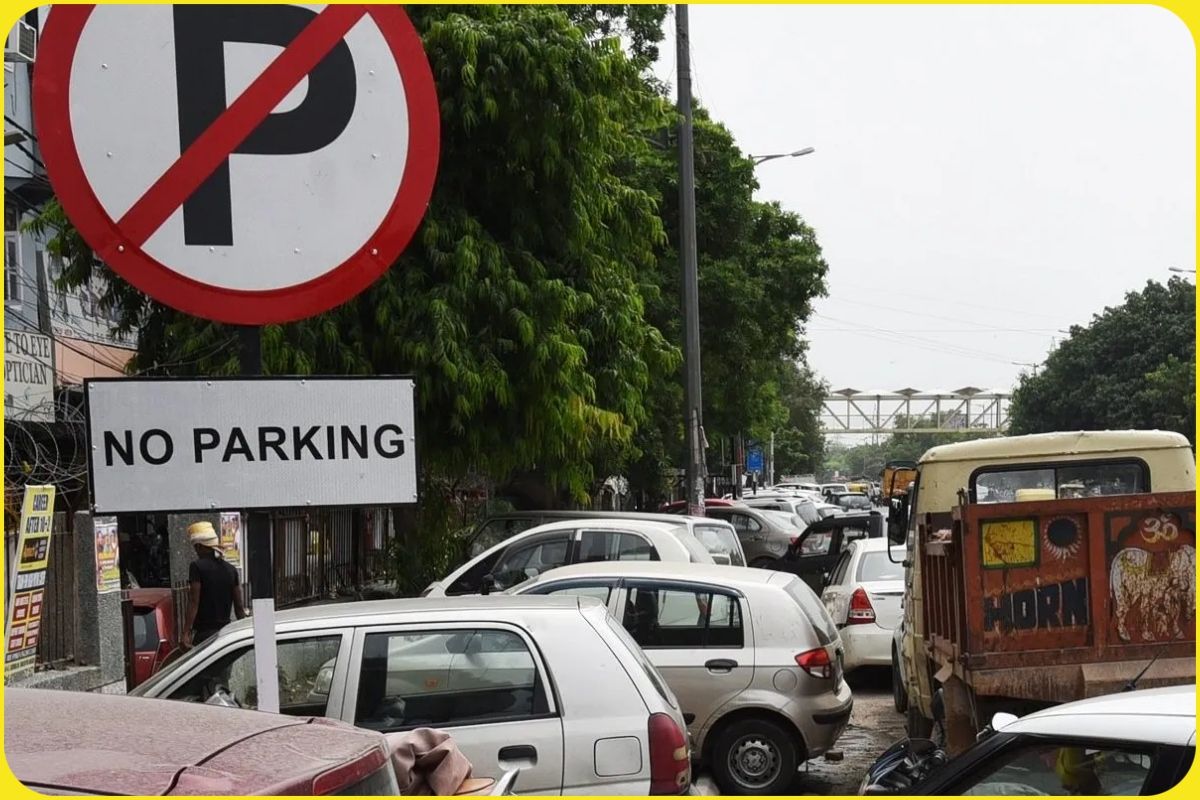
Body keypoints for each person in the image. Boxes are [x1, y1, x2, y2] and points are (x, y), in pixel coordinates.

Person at [183, 521, 246, 650]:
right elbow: (239, 608)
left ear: (200, 546)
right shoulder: (231, 570)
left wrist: (186, 632)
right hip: (226, 635)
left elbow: (194, 601)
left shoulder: (196, 567)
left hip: (204, 635)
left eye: (196, 547)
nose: (196, 551)